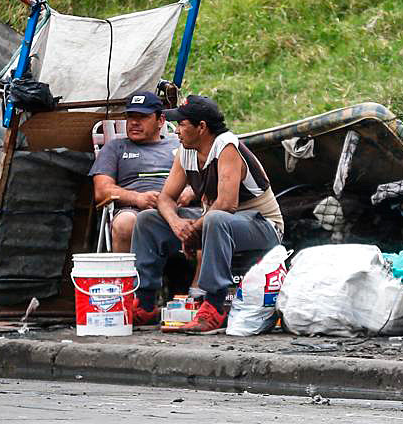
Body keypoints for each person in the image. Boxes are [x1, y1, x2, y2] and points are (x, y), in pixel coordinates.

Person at [130, 95, 284, 332]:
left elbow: (226, 204)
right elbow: (165, 198)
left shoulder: (227, 147)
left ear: (201, 127)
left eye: (182, 124)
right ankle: (146, 303)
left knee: (215, 218)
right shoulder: (186, 150)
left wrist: (193, 227)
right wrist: (177, 224)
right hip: (217, 224)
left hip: (262, 226)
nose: (177, 130)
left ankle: (214, 306)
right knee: (147, 220)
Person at [88, 91, 185, 253]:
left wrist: (189, 191)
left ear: (160, 120)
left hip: (177, 207)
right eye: (131, 116)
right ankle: (126, 277)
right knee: (125, 222)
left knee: (209, 220)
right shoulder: (114, 148)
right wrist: (138, 198)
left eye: (142, 117)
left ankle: (202, 278)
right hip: (134, 210)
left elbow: (203, 179)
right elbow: (101, 191)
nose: (134, 122)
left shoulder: (179, 146)